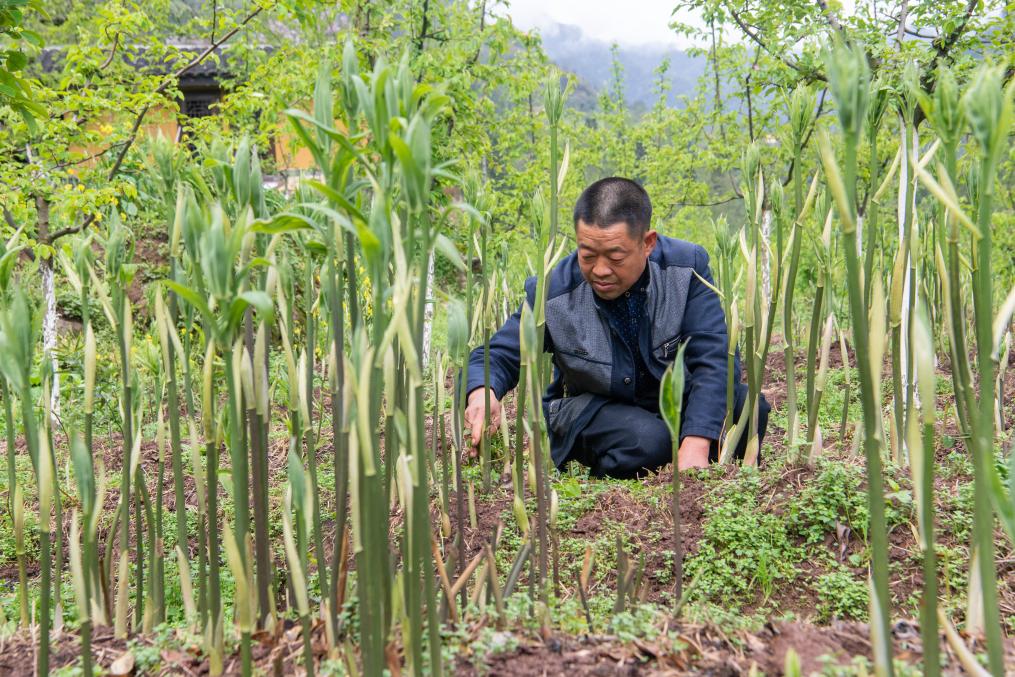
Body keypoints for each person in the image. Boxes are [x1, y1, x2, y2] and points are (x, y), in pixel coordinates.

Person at [464, 177, 770, 479]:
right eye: (587, 255)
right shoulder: (553, 290)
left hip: (667, 404)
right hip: (594, 412)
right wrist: (482, 392)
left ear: (647, 243)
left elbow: (714, 357)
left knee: (748, 408)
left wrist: (697, 441)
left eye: (615, 256)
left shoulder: (685, 269)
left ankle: (681, 456)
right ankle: (641, 458)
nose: (599, 270)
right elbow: (496, 355)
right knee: (649, 441)